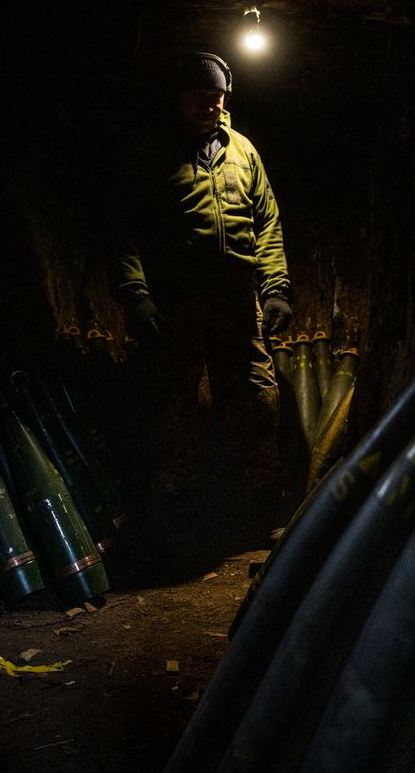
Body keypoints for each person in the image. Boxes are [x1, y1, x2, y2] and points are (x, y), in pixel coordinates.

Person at [110, 51, 293, 553]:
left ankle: (256, 515)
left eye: (217, 99)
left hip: (237, 301)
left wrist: (274, 289)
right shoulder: (150, 156)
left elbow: (267, 224)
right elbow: (124, 236)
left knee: (257, 399)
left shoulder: (244, 152)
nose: (210, 108)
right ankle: (176, 519)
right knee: (173, 407)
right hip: (178, 304)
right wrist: (138, 298)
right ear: (178, 102)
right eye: (199, 101)